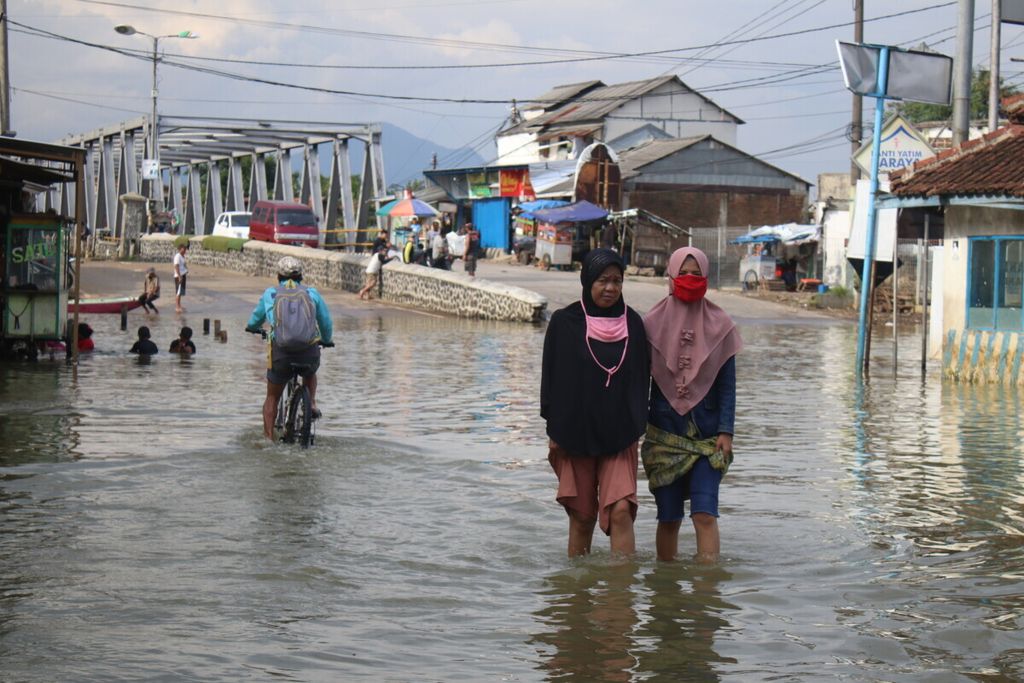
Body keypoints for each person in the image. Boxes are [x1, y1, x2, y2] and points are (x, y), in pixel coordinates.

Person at [541, 248, 650, 558]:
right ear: (588, 280)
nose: (611, 288)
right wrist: (554, 428)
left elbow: (644, 377)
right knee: (581, 516)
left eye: (617, 281)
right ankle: (576, 596)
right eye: (603, 280)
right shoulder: (565, 322)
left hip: (620, 434)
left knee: (620, 511)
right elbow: (550, 379)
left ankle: (620, 598)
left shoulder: (634, 323)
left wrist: (637, 423)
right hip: (574, 433)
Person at [641, 246, 743, 563]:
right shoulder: (649, 325)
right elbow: (637, 385)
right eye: (682, 273)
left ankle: (706, 591)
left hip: (709, 440)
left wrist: (726, 431)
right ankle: (666, 585)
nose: (688, 279)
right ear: (670, 277)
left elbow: (727, 385)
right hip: (662, 437)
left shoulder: (721, 325)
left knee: (705, 514)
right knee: (668, 518)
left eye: (696, 274)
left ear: (706, 279)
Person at [245, 256, 334, 441]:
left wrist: (252, 328)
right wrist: (326, 340)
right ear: (301, 275)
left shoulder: (271, 293)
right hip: (308, 352)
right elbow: (325, 322)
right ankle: (311, 404)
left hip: (281, 353)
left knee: (272, 397)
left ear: (278, 275)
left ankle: (268, 439)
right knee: (310, 371)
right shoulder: (311, 293)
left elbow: (255, 318)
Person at [172, 243, 188, 313]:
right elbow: (176, 266)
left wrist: (186, 270)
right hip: (179, 276)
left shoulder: (182, 256)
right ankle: (177, 307)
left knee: (180, 291)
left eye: (185, 249)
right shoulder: (177, 256)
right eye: (184, 249)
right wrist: (179, 276)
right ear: (180, 249)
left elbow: (184, 264)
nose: (185, 251)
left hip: (183, 275)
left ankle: (179, 305)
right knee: (178, 292)